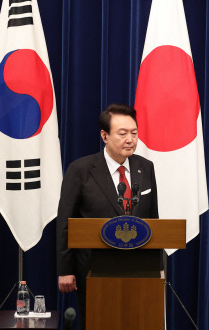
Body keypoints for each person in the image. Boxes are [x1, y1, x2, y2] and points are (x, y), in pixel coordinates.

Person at [56, 104, 159, 329]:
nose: (130, 139)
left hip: (139, 270)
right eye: (122, 134)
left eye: (134, 133)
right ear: (105, 135)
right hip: (93, 270)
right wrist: (65, 270)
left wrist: (157, 268)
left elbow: (154, 220)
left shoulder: (146, 167)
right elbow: (65, 222)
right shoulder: (81, 170)